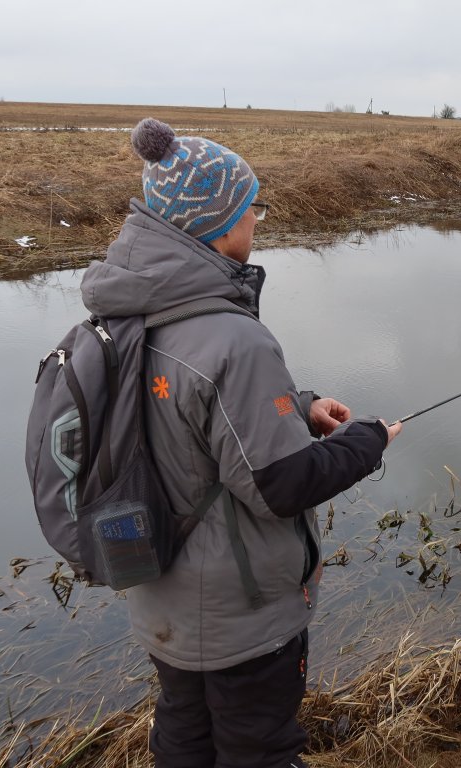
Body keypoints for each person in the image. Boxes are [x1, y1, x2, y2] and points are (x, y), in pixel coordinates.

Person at [78, 117, 401, 768]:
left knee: (184, 738)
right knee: (259, 749)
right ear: (218, 224)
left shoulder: (124, 311)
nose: (257, 222)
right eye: (252, 209)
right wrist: (370, 440)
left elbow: (186, 424)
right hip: (240, 615)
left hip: (160, 596)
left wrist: (301, 410)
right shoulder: (233, 340)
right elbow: (280, 485)